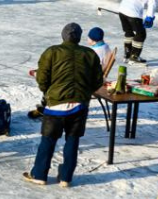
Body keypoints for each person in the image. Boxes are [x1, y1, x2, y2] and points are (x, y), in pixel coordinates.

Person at [24, 23, 101, 187]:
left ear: (63, 36)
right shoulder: (90, 54)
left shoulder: (51, 52)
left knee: (48, 140)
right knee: (72, 140)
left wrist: (48, 92)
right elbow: (97, 81)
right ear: (79, 37)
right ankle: (66, 177)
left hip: (56, 105)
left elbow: (42, 78)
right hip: (80, 105)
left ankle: (39, 174)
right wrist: (85, 94)